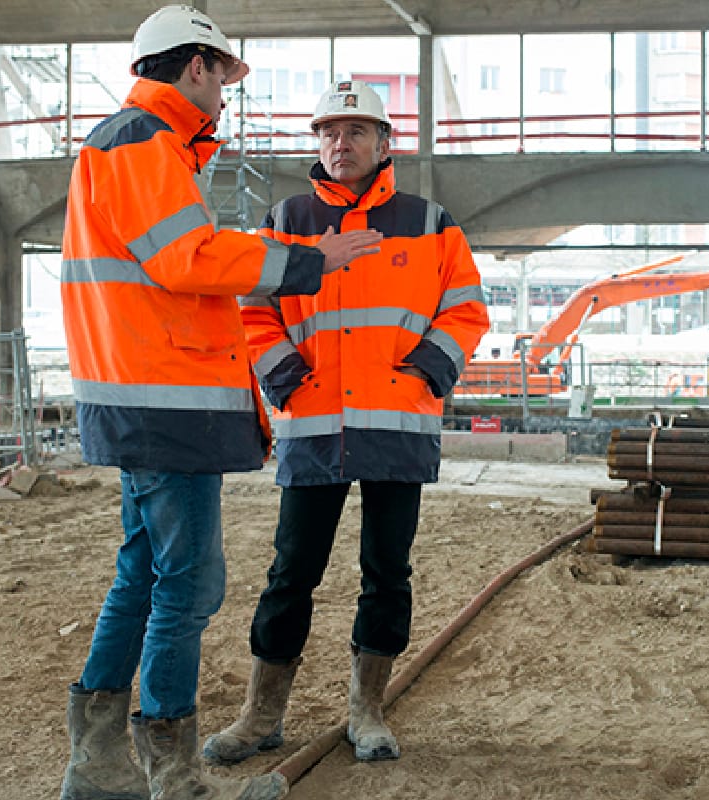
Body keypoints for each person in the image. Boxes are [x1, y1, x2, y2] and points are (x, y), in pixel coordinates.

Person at [57, 8, 382, 800]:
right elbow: (187, 257)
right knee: (188, 584)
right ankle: (173, 779)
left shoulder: (135, 143)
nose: (228, 97)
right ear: (196, 65)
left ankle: (99, 769)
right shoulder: (142, 142)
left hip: (141, 397)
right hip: (164, 402)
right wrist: (306, 257)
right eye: (225, 78)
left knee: (143, 573)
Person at [203, 80, 489, 766]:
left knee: (387, 572)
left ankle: (367, 711)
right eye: (329, 131)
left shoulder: (430, 222)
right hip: (314, 422)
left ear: (384, 144)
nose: (341, 143)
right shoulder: (286, 218)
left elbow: (467, 310)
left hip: (397, 421)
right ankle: (261, 714)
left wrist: (424, 370)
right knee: (290, 572)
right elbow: (253, 310)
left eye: (357, 131)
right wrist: (286, 377)